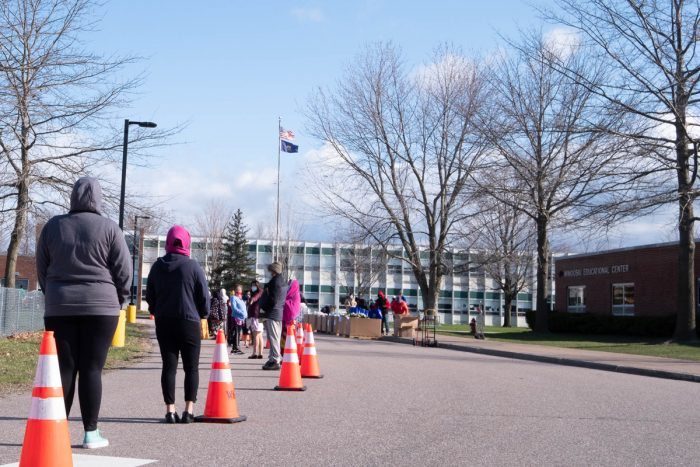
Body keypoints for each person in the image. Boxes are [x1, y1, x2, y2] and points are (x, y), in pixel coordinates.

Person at [37, 177, 131, 449]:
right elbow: (124, 270)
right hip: (101, 307)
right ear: (98, 199)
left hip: (60, 305)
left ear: (72, 197)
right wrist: (121, 300)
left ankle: (57, 433)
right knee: (92, 368)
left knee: (63, 369)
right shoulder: (110, 228)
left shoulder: (53, 226)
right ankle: (91, 432)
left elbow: (42, 267)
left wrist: (52, 292)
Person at [146, 225, 209, 424]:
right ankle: (188, 410)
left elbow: (150, 296)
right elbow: (203, 297)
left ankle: (170, 410)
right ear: (186, 242)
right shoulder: (193, 267)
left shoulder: (157, 266)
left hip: (164, 321)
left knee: (169, 367)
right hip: (189, 321)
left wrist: (155, 310)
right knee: (191, 368)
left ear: (168, 242)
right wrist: (203, 314)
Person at [260, 261, 287, 370]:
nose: (269, 272)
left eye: (271, 270)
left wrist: (264, 307)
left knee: (274, 338)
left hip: (273, 313)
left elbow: (273, 300)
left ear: (274, 271)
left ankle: (275, 360)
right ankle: (272, 358)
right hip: (278, 312)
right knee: (273, 337)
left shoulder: (275, 282)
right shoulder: (282, 281)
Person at [246, 279, 264, 359]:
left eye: (254, 285)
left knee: (256, 334)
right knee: (259, 335)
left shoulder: (259, 292)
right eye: (252, 285)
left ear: (257, 286)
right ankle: (260, 353)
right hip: (259, 315)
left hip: (255, 315)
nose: (253, 287)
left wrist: (251, 300)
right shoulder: (259, 292)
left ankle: (255, 353)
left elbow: (255, 298)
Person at [229, 285, 247, 354]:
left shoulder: (240, 298)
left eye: (240, 289)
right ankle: (236, 347)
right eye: (238, 289)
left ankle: (235, 347)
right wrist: (242, 313)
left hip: (241, 318)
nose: (239, 291)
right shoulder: (233, 297)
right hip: (236, 317)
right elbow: (234, 308)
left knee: (239, 333)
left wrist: (244, 314)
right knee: (236, 333)